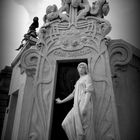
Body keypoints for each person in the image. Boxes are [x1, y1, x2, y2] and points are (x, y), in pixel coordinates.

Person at [56, 62, 95, 140]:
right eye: (80, 67)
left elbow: (89, 91)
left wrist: (85, 106)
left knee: (83, 128)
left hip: (84, 103)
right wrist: (61, 101)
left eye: (83, 67)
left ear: (86, 69)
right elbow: (73, 94)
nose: (81, 68)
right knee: (65, 123)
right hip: (77, 105)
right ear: (77, 69)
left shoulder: (87, 77)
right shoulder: (79, 80)